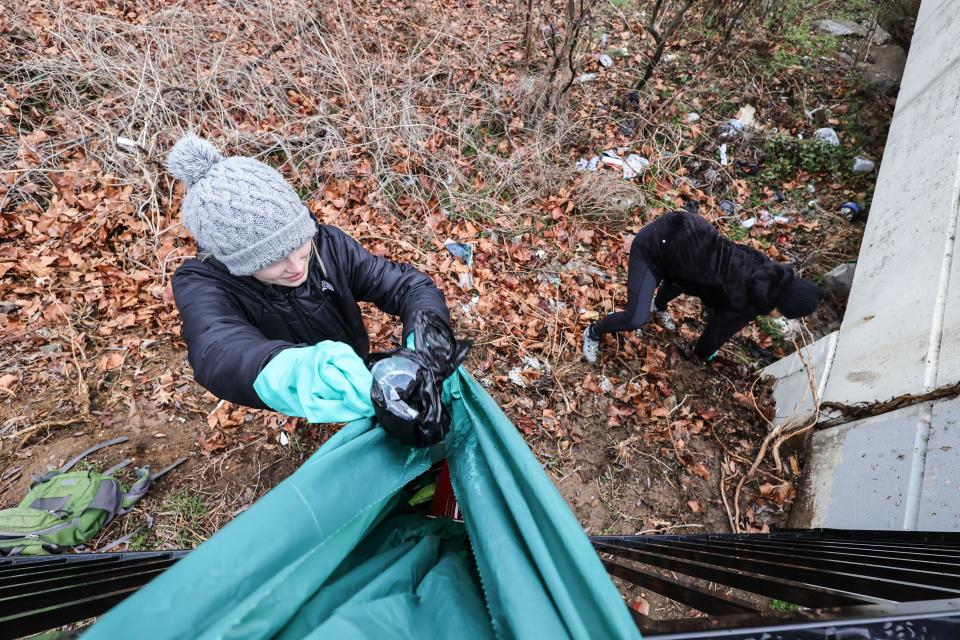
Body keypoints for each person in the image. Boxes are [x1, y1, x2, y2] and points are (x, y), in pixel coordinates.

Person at [167, 134, 451, 425]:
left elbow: (408, 286)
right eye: (272, 260)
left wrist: (426, 336)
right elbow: (216, 349)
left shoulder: (327, 244)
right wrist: (298, 372)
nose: (296, 267)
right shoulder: (203, 283)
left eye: (299, 245)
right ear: (238, 262)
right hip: (295, 391)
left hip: (350, 351)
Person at [582, 210, 824, 364]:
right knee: (636, 318)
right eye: (782, 313)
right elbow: (715, 334)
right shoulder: (748, 304)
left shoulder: (765, 266)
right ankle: (593, 331)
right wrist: (705, 354)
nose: (776, 317)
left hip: (683, 240)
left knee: (687, 282)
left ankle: (660, 304)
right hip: (653, 249)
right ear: (780, 304)